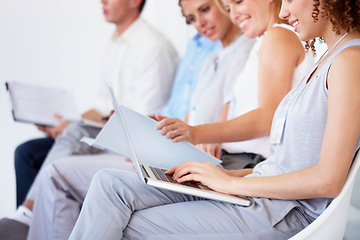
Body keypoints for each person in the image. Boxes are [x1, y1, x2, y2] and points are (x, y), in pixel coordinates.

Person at [68, 0, 360, 239]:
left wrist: (230, 183)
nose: (283, 12)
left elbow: (328, 181)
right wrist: (221, 177)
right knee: (110, 185)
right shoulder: (328, 60)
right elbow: (286, 164)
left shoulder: (350, 61)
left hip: (284, 212)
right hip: (259, 192)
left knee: (129, 225)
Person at [25, 0, 255, 238]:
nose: (199, 23)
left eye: (205, 10)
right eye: (191, 19)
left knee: (81, 178)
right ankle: (25, 217)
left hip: (200, 162)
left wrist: (200, 135)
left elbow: (213, 128)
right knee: (55, 154)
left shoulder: (247, 52)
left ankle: (24, 217)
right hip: (178, 155)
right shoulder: (210, 61)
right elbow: (189, 121)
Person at [0, 0, 179, 238]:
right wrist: (63, 121)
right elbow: (101, 106)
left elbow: (144, 118)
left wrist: (72, 128)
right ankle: (26, 221)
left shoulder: (153, 47)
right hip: (107, 129)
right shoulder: (115, 42)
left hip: (130, 137)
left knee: (71, 134)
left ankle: (26, 215)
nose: (102, 2)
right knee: (26, 152)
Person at [155, 0, 313, 170]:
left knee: (129, 187)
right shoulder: (264, 42)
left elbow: (269, 118)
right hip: (236, 161)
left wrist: (195, 133)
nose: (233, 15)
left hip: (250, 163)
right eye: (229, 8)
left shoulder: (277, 37)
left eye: (238, 2)